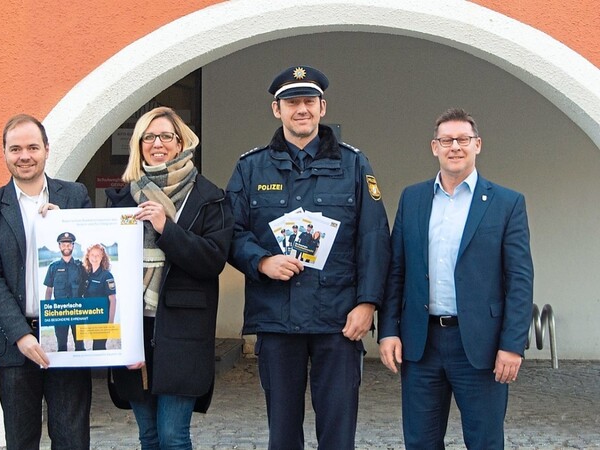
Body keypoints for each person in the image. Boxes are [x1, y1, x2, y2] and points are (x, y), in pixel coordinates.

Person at [226, 65, 391, 449]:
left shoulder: (353, 164)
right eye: (292, 102)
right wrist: (261, 261)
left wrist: (367, 304)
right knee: (282, 434)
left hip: (338, 320)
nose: (301, 109)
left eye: (308, 102)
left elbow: (373, 238)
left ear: (322, 107)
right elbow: (229, 231)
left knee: (338, 433)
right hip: (277, 317)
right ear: (276, 110)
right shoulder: (251, 167)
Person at [378, 108, 534, 449]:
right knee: (420, 442)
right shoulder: (413, 198)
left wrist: (511, 345)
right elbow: (397, 271)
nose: (455, 147)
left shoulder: (506, 203)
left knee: (485, 442)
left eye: (463, 139)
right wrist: (388, 330)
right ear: (434, 147)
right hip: (422, 345)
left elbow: (520, 280)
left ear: (477, 145)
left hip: (481, 346)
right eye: (446, 140)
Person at [105, 106, 233, 450]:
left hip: (183, 333)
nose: (157, 143)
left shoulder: (210, 197)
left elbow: (212, 260)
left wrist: (166, 228)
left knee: (174, 437)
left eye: (166, 136)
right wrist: (59, 221)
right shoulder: (121, 197)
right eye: (149, 136)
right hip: (133, 330)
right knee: (148, 436)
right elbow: (101, 250)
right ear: (138, 144)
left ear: (181, 143)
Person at [0, 114, 93, 450]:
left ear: (47, 150)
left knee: (72, 439)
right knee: (21, 440)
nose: (25, 155)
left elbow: (90, 257)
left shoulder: (74, 195)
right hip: (13, 341)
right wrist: (21, 335)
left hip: (66, 335)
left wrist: (66, 224)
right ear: (5, 153)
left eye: (32, 147)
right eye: (16, 149)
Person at [43, 231, 88, 351]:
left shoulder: (81, 266)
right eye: (63, 244)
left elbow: (87, 287)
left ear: (73, 246)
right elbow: (49, 289)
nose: (66, 247)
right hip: (59, 312)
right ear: (59, 246)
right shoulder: (53, 267)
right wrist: (47, 309)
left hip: (78, 311)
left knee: (80, 346)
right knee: (61, 346)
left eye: (69, 244)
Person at [81, 243, 117, 350]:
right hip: (91, 317)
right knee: (96, 346)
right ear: (88, 256)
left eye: (98, 255)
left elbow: (113, 300)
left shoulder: (107, 275)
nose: (95, 258)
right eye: (92, 255)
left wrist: (110, 322)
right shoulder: (87, 274)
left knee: (99, 346)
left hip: (102, 319)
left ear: (102, 257)